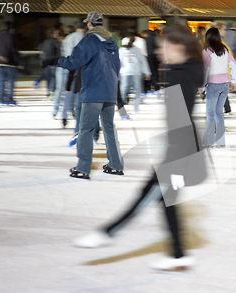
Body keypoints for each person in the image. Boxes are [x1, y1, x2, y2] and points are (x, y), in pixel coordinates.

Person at [72, 25, 206, 271]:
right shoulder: (181, 70)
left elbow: (180, 120)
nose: (156, 50)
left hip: (181, 153)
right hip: (182, 149)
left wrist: (173, 163)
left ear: (177, 47)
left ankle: (107, 233)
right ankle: (178, 254)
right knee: (166, 201)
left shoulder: (180, 75)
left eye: (161, 45)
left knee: (147, 196)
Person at [58, 11, 123, 179]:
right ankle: (116, 164)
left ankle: (83, 168)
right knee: (109, 128)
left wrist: (59, 61)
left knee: (85, 129)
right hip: (109, 90)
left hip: (93, 90)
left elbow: (75, 62)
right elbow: (117, 67)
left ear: (89, 24)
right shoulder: (112, 42)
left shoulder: (88, 40)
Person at [200, 27, 236, 147]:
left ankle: (209, 141)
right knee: (218, 113)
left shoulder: (207, 50)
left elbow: (205, 70)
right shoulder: (224, 49)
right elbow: (233, 65)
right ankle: (221, 141)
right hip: (225, 85)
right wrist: (233, 81)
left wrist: (201, 88)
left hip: (213, 84)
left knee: (210, 113)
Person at [60, 22, 86, 128]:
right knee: (80, 93)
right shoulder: (85, 38)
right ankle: (77, 114)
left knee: (69, 92)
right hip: (82, 68)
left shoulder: (68, 38)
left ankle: (65, 115)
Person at [119, 36, 151, 113]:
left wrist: (147, 72)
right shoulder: (121, 51)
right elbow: (119, 62)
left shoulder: (137, 50)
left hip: (134, 72)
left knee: (135, 89)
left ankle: (135, 106)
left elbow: (142, 62)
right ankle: (124, 104)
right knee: (124, 89)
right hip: (126, 72)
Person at [0, 21, 21, 105]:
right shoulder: (12, 37)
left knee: (0, 81)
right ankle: (9, 98)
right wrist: (17, 62)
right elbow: (13, 50)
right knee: (10, 82)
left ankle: (0, 97)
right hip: (10, 63)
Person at [39, 28, 61, 102]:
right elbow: (60, 49)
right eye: (56, 33)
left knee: (49, 78)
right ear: (52, 34)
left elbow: (41, 49)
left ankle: (49, 92)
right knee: (53, 78)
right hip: (53, 62)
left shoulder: (45, 42)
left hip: (46, 62)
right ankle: (52, 92)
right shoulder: (55, 42)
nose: (57, 35)